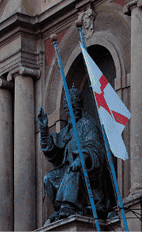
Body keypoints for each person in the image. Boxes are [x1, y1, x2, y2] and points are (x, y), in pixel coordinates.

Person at [37, 87, 110, 222]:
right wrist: (43, 129)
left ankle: (68, 208)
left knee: (74, 171)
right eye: (69, 111)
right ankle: (61, 209)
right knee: (49, 178)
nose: (71, 114)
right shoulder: (67, 131)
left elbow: (94, 147)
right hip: (68, 172)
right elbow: (51, 150)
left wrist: (82, 158)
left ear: (79, 108)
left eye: (74, 110)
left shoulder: (87, 124)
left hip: (87, 173)